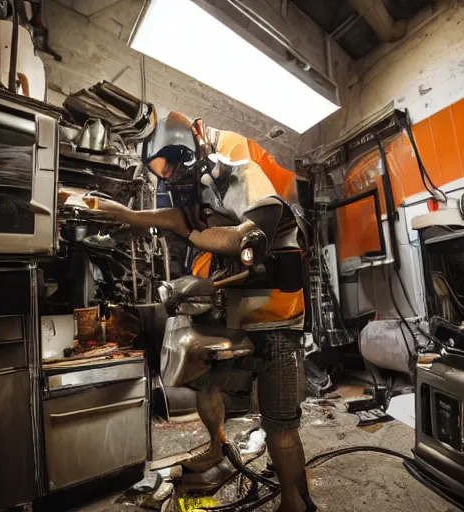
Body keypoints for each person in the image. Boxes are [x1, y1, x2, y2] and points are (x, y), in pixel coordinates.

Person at [83, 112, 316, 512]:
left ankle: (296, 504)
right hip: (239, 311)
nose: (171, 176)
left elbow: (252, 234)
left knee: (279, 424)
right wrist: (126, 215)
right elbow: (182, 221)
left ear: (191, 147)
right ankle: (216, 447)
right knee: (206, 382)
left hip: (277, 312)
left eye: (173, 165)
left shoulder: (237, 165)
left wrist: (204, 274)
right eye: (164, 171)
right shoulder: (198, 187)